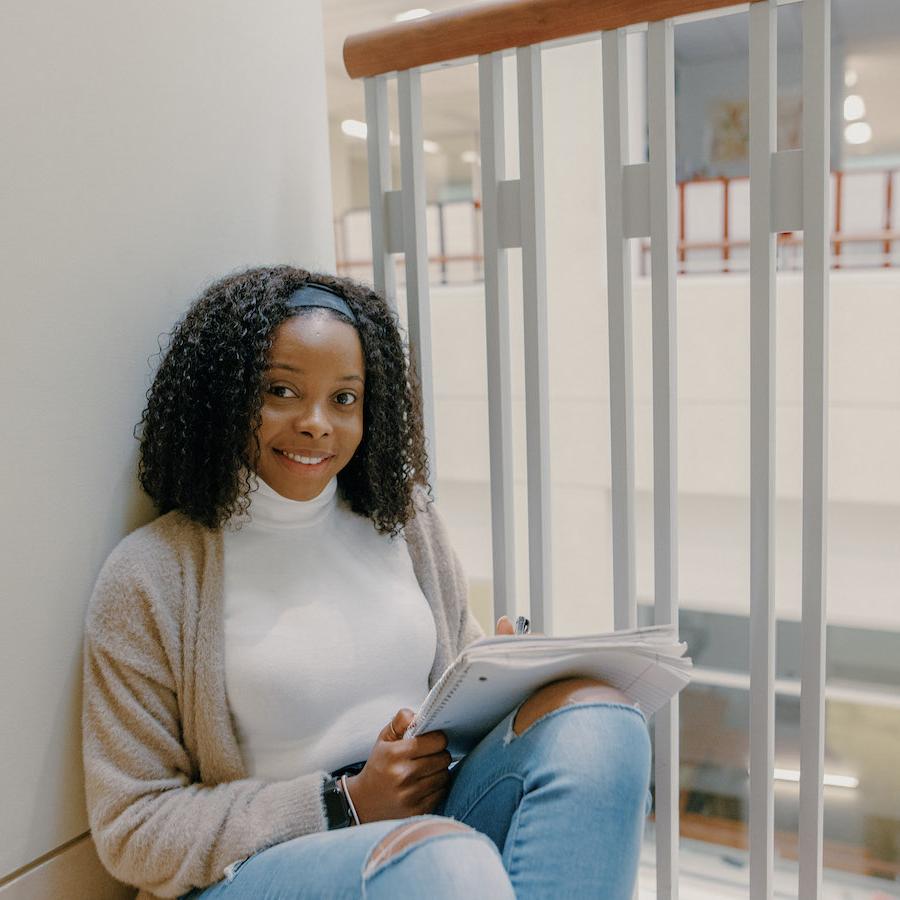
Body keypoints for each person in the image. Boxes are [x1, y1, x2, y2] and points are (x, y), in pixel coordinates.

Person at [82, 265, 651, 900]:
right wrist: (345, 802)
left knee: (600, 719)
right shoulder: (152, 575)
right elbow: (132, 826)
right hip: (262, 873)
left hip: (429, 836)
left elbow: (445, 706)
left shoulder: (404, 522)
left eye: (344, 398)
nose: (317, 423)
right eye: (281, 391)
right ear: (225, 394)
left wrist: (500, 678)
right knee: (441, 861)